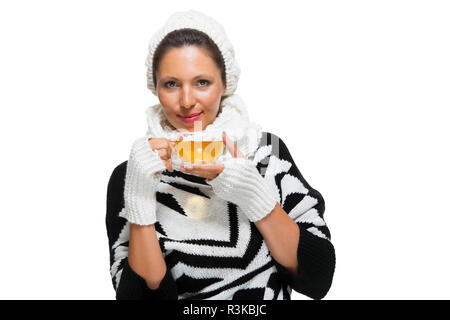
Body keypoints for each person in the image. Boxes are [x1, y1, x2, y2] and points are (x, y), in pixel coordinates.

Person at [106, 10, 336, 300]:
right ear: (155, 88)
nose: (187, 101)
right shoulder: (133, 175)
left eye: (202, 82)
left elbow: (318, 281)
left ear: (225, 84)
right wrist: (140, 199)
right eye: (171, 84)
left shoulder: (264, 152)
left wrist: (253, 194)